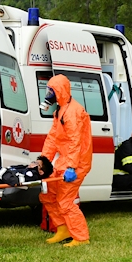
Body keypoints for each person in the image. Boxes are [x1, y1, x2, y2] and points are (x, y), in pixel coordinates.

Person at [39, 74, 92, 247]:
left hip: (77, 163)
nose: (48, 94)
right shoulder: (60, 111)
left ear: (59, 91)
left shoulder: (74, 112)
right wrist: (43, 161)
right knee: (48, 194)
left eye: (51, 90)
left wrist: (71, 167)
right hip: (65, 160)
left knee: (65, 200)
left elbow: (75, 142)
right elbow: (52, 139)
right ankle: (62, 229)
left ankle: (81, 237)